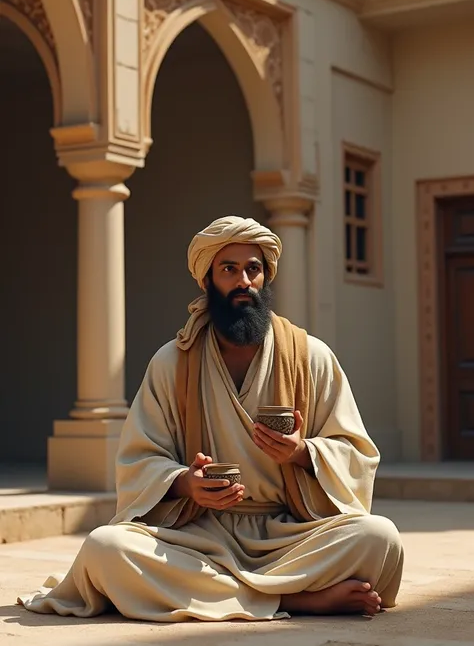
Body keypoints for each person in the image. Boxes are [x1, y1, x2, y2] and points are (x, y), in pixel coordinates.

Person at [18, 215, 403, 622]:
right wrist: (187, 483)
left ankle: (223, 595)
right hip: (198, 536)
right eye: (229, 269)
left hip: (289, 535)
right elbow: (138, 459)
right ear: (207, 281)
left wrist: (303, 453)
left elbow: (357, 453)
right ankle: (295, 600)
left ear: (265, 277)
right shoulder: (173, 362)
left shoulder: (311, 357)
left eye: (253, 269)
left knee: (380, 538)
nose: (243, 281)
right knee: (105, 548)